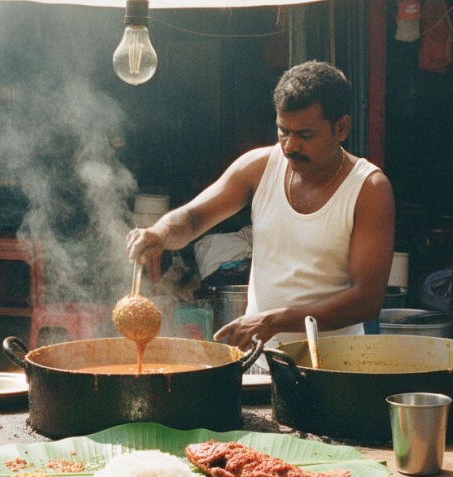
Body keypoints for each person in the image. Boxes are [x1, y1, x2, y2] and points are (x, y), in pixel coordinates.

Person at [127, 61, 395, 351]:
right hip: (262, 360)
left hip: (337, 367)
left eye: (305, 135)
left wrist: (273, 321)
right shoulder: (259, 166)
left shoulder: (368, 189)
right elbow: (193, 219)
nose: (290, 146)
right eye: (283, 131)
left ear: (341, 128)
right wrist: (160, 232)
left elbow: (366, 301)